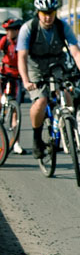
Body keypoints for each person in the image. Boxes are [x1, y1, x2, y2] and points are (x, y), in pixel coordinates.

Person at [16, 0, 80, 159]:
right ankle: (37, 138)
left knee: (66, 95)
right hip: (35, 66)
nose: (48, 17)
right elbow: (22, 57)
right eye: (44, 13)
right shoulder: (28, 28)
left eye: (51, 13)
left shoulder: (62, 27)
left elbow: (75, 51)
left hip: (57, 64)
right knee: (41, 101)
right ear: (38, 13)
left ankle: (67, 128)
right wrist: (26, 81)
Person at [0, 17, 26, 153]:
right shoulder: (4, 41)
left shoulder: (23, 41)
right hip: (4, 74)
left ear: (17, 30)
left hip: (17, 76)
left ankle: (16, 143)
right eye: (7, 30)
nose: (8, 33)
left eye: (11, 30)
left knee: (16, 110)